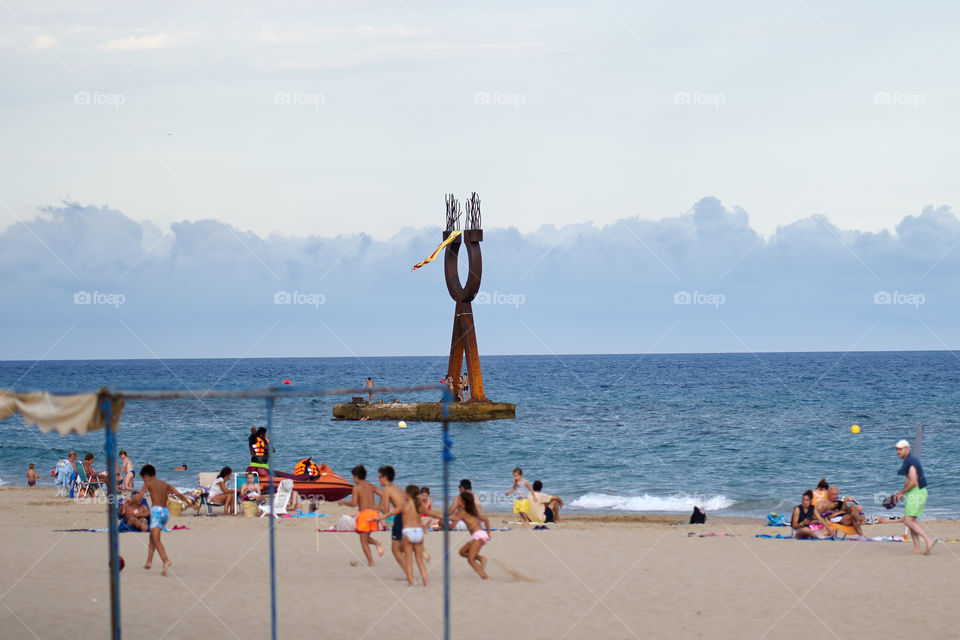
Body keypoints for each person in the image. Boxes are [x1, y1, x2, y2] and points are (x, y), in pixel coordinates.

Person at [132, 464, 191, 576]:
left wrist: (130, 502)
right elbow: (178, 494)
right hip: (166, 513)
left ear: (146, 476)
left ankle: (165, 560)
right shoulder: (164, 484)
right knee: (152, 537)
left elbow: (139, 498)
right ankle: (149, 562)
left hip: (156, 512)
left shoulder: (148, 483)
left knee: (156, 539)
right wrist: (188, 503)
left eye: (143, 478)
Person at [379, 485, 441, 586]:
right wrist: (445, 516)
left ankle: (411, 582)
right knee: (419, 561)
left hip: (409, 532)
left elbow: (390, 513)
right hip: (419, 532)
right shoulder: (419, 505)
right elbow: (432, 514)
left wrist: (378, 519)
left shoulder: (404, 505)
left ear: (407, 495)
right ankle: (426, 583)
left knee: (409, 560)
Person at [892, 439, 935, 555]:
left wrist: (901, 492)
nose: (898, 452)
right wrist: (904, 492)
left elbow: (913, 481)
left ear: (907, 449)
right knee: (911, 521)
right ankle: (917, 548)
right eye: (897, 449)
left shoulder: (911, 462)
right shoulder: (908, 461)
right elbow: (909, 480)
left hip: (917, 492)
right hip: (915, 492)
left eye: (900, 449)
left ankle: (928, 540)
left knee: (908, 521)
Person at [337, 465, 384, 566]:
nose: (353, 480)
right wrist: (378, 506)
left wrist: (344, 502)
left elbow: (353, 503)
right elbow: (383, 495)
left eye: (353, 477)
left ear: (356, 477)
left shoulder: (357, 488)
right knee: (364, 536)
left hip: (364, 515)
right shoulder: (371, 486)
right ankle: (377, 543)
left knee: (363, 541)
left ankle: (371, 562)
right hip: (374, 514)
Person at [449, 491, 491, 580]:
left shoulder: (463, 513)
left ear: (463, 502)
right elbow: (486, 520)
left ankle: (486, 578)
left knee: (471, 560)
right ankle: (481, 558)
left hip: (478, 536)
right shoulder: (471, 511)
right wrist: (488, 533)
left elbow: (452, 526)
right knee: (462, 552)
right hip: (479, 535)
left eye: (459, 500)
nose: (457, 501)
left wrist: (442, 524)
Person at [378, 465, 408, 574]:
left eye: (380, 477)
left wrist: (374, 508)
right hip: (409, 515)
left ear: (385, 477)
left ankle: (410, 574)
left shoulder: (387, 489)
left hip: (401, 517)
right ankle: (410, 570)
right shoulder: (398, 488)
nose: (378, 479)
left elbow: (385, 510)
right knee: (401, 548)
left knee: (395, 550)